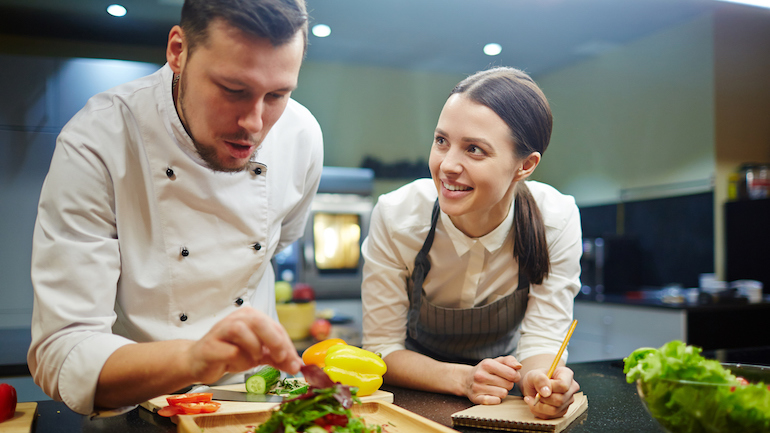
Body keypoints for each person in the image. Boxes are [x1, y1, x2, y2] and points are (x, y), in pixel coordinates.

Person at [27, 0, 322, 415]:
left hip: (255, 401)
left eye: (277, 94)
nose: (254, 123)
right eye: (233, 90)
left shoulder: (302, 136)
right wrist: (192, 359)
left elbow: (278, 243)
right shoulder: (99, 139)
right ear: (178, 51)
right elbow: (62, 351)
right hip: (138, 404)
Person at [361, 67, 582, 419]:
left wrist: (542, 379)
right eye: (441, 141)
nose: (446, 165)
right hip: (411, 401)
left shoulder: (556, 219)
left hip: (501, 401)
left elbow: (541, 341)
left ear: (525, 165)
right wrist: (463, 378)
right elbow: (382, 349)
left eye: (474, 149)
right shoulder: (397, 216)